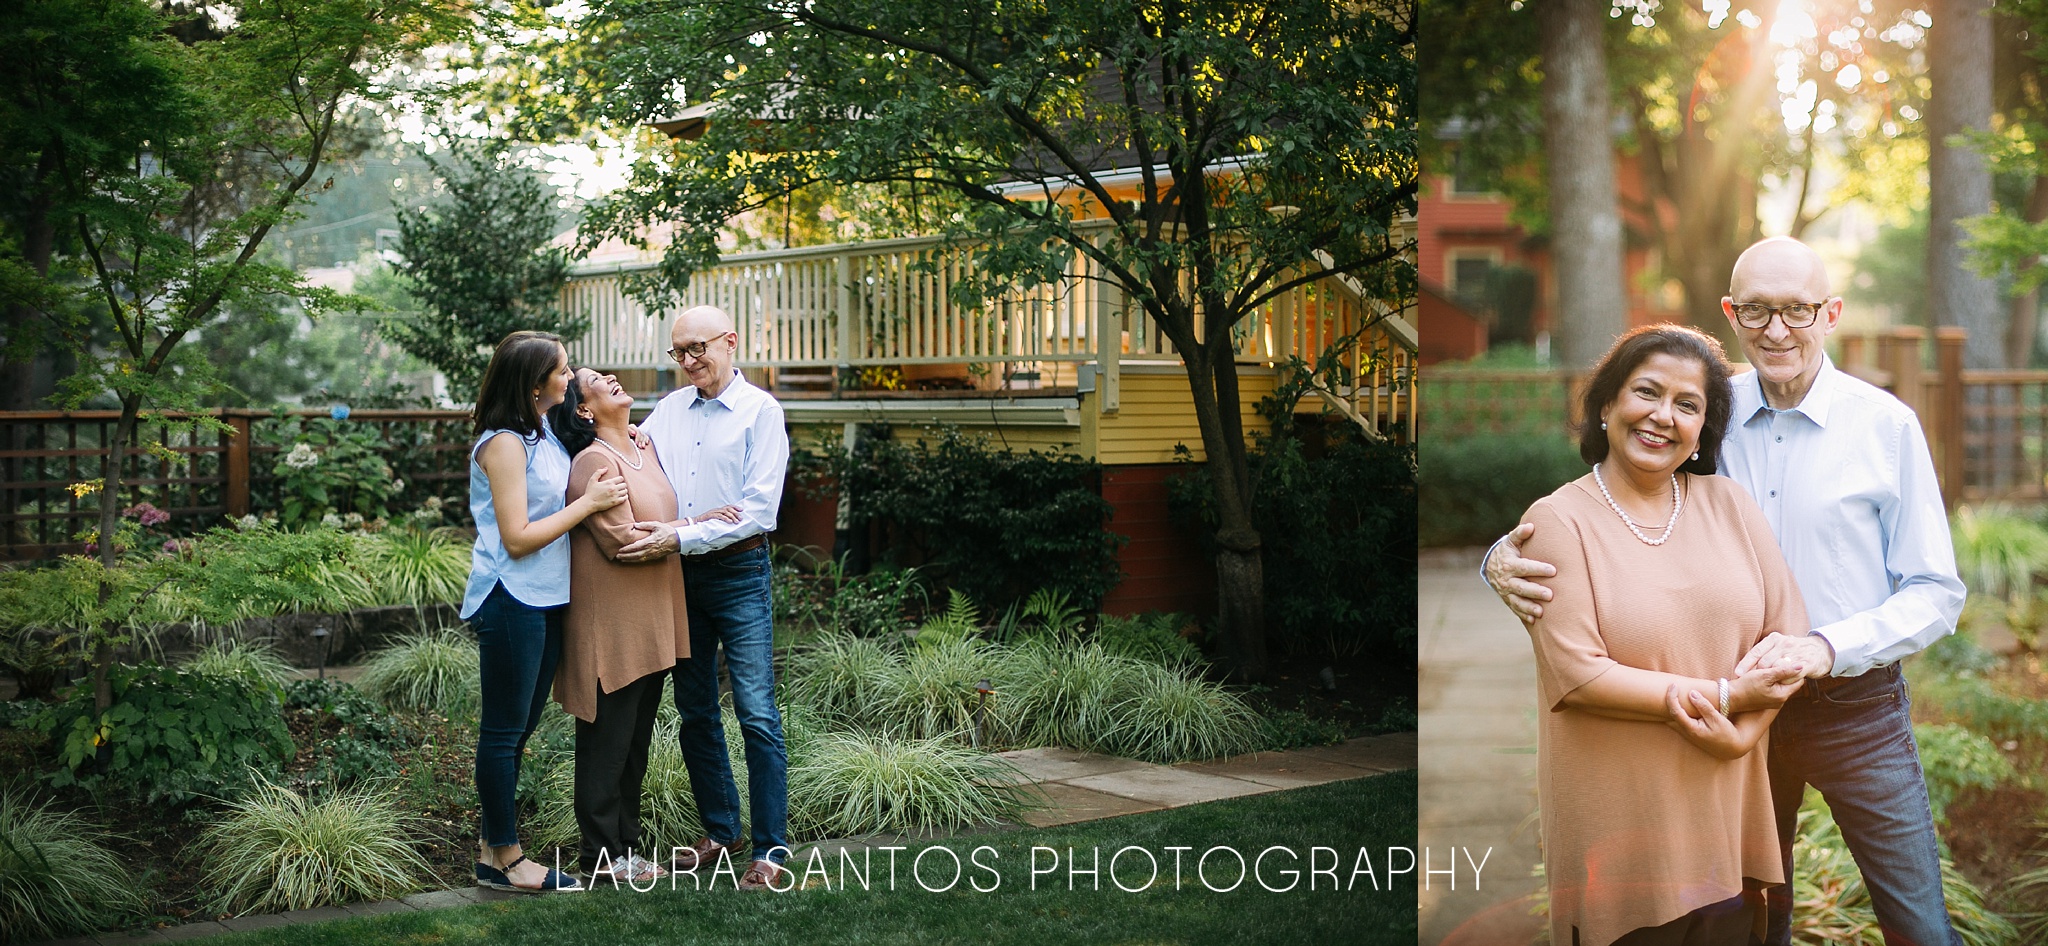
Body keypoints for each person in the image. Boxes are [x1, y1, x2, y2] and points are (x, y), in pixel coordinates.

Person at [1489, 237, 1967, 946]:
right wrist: (1501, 557)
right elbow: (1608, 504)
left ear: (1830, 312)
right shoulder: (1700, 411)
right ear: (1731, 313)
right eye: (1757, 310)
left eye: (1797, 310)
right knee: (1753, 920)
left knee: (1920, 926)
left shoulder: (1884, 426)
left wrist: (1823, 647)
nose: (1777, 330)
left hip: (1855, 711)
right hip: (1728, 718)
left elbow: (1935, 589)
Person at [1516, 324, 1808, 946]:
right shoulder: (1556, 521)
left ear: (1704, 428)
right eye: (1646, 392)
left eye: (1688, 405)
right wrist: (1730, 697)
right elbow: (1582, 676)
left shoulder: (1729, 504)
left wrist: (1744, 734)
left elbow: (1790, 635)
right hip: (1620, 829)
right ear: (1606, 404)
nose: (1662, 417)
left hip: (1723, 819)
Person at [613, 304, 793, 891]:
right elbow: (639, 463)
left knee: (757, 713)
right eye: (679, 353)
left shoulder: (760, 413)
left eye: (699, 349)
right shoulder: (667, 410)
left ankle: (770, 849)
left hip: (739, 574)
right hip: (679, 577)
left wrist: (685, 531)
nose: (689, 362)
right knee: (694, 710)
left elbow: (759, 511)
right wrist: (681, 526)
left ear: (730, 342)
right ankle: (721, 830)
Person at [545, 368, 741, 885]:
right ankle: (600, 857)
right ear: (584, 410)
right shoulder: (593, 461)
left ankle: (623, 850)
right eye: (593, 380)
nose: (609, 377)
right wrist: (693, 527)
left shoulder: (642, 448)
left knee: (633, 743)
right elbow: (623, 543)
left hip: (651, 619)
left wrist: (683, 526)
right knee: (607, 743)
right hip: (611, 623)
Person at [462, 331, 628, 894]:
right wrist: (588, 505)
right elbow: (516, 537)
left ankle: (493, 850)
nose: (570, 374)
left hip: (547, 597)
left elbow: (591, 436)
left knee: (519, 730)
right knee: (504, 732)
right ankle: (506, 859)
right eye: (562, 369)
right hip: (512, 597)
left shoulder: (542, 435)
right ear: (536, 384)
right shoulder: (504, 442)